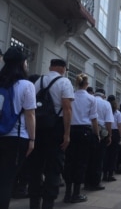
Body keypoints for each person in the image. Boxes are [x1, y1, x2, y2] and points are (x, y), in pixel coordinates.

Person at [28, 59, 74, 209]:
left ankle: (34, 202)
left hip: (38, 127)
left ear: (50, 67)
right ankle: (48, 203)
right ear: (63, 69)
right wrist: (67, 134)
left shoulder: (38, 81)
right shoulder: (65, 82)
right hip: (56, 127)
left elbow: (30, 105)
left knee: (36, 166)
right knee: (54, 167)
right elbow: (67, 109)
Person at [0, 46, 36, 209]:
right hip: (16, 137)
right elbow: (30, 115)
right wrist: (32, 139)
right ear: (21, 64)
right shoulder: (26, 85)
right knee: (6, 181)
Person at [63, 73, 99, 203]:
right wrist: (97, 134)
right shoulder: (91, 99)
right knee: (81, 162)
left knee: (69, 161)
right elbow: (94, 118)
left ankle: (67, 192)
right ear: (87, 84)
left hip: (70, 130)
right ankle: (76, 193)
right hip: (84, 131)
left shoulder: (71, 96)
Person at [84, 89, 113, 191]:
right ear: (104, 95)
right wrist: (110, 135)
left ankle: (86, 182)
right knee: (99, 159)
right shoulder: (106, 104)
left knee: (88, 157)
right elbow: (109, 122)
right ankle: (95, 182)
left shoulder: (89, 100)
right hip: (102, 133)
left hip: (88, 131)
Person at [103, 95, 121, 181]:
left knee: (105, 154)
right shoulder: (117, 113)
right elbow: (119, 126)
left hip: (105, 131)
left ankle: (104, 174)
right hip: (115, 133)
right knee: (113, 155)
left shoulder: (106, 109)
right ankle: (110, 174)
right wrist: (120, 136)